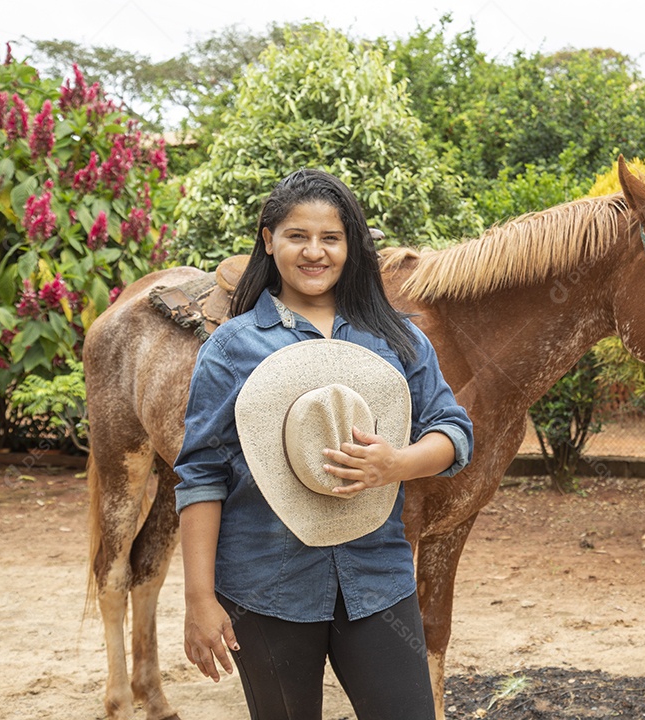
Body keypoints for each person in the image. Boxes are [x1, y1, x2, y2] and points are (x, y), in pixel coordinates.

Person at [173, 168, 473, 720]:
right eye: (297, 237)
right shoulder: (230, 348)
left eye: (330, 238)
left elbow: (454, 431)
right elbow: (202, 474)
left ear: (351, 245)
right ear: (268, 240)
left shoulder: (396, 338)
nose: (315, 253)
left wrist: (397, 463)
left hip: (377, 580)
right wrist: (199, 598)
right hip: (264, 585)